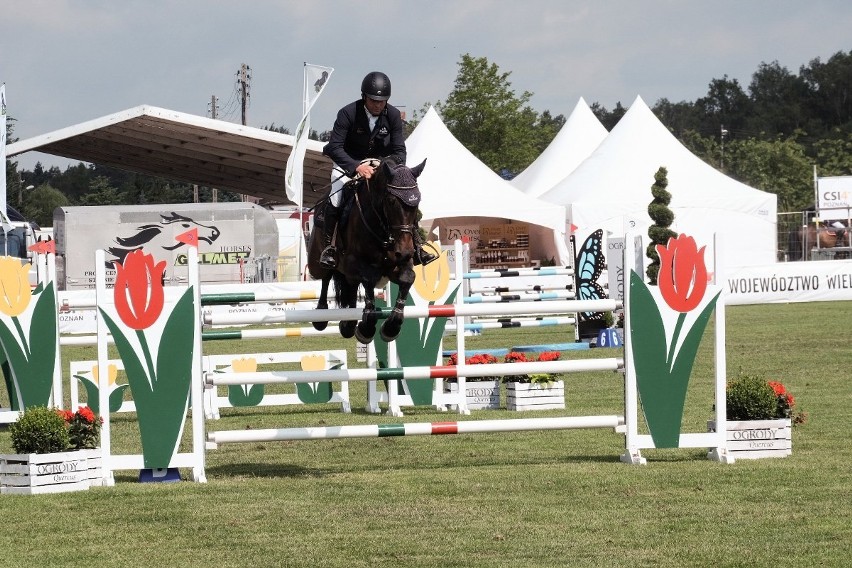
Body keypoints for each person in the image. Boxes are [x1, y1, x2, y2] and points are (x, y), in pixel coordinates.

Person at [320, 71, 437, 268]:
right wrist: (356, 166)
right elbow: (334, 147)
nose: (378, 104)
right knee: (336, 197)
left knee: (403, 198)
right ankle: (329, 248)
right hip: (347, 162)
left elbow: (400, 151)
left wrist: (382, 166)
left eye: (382, 101)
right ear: (364, 96)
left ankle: (417, 246)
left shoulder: (392, 115)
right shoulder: (347, 113)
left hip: (379, 165)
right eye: (374, 100)